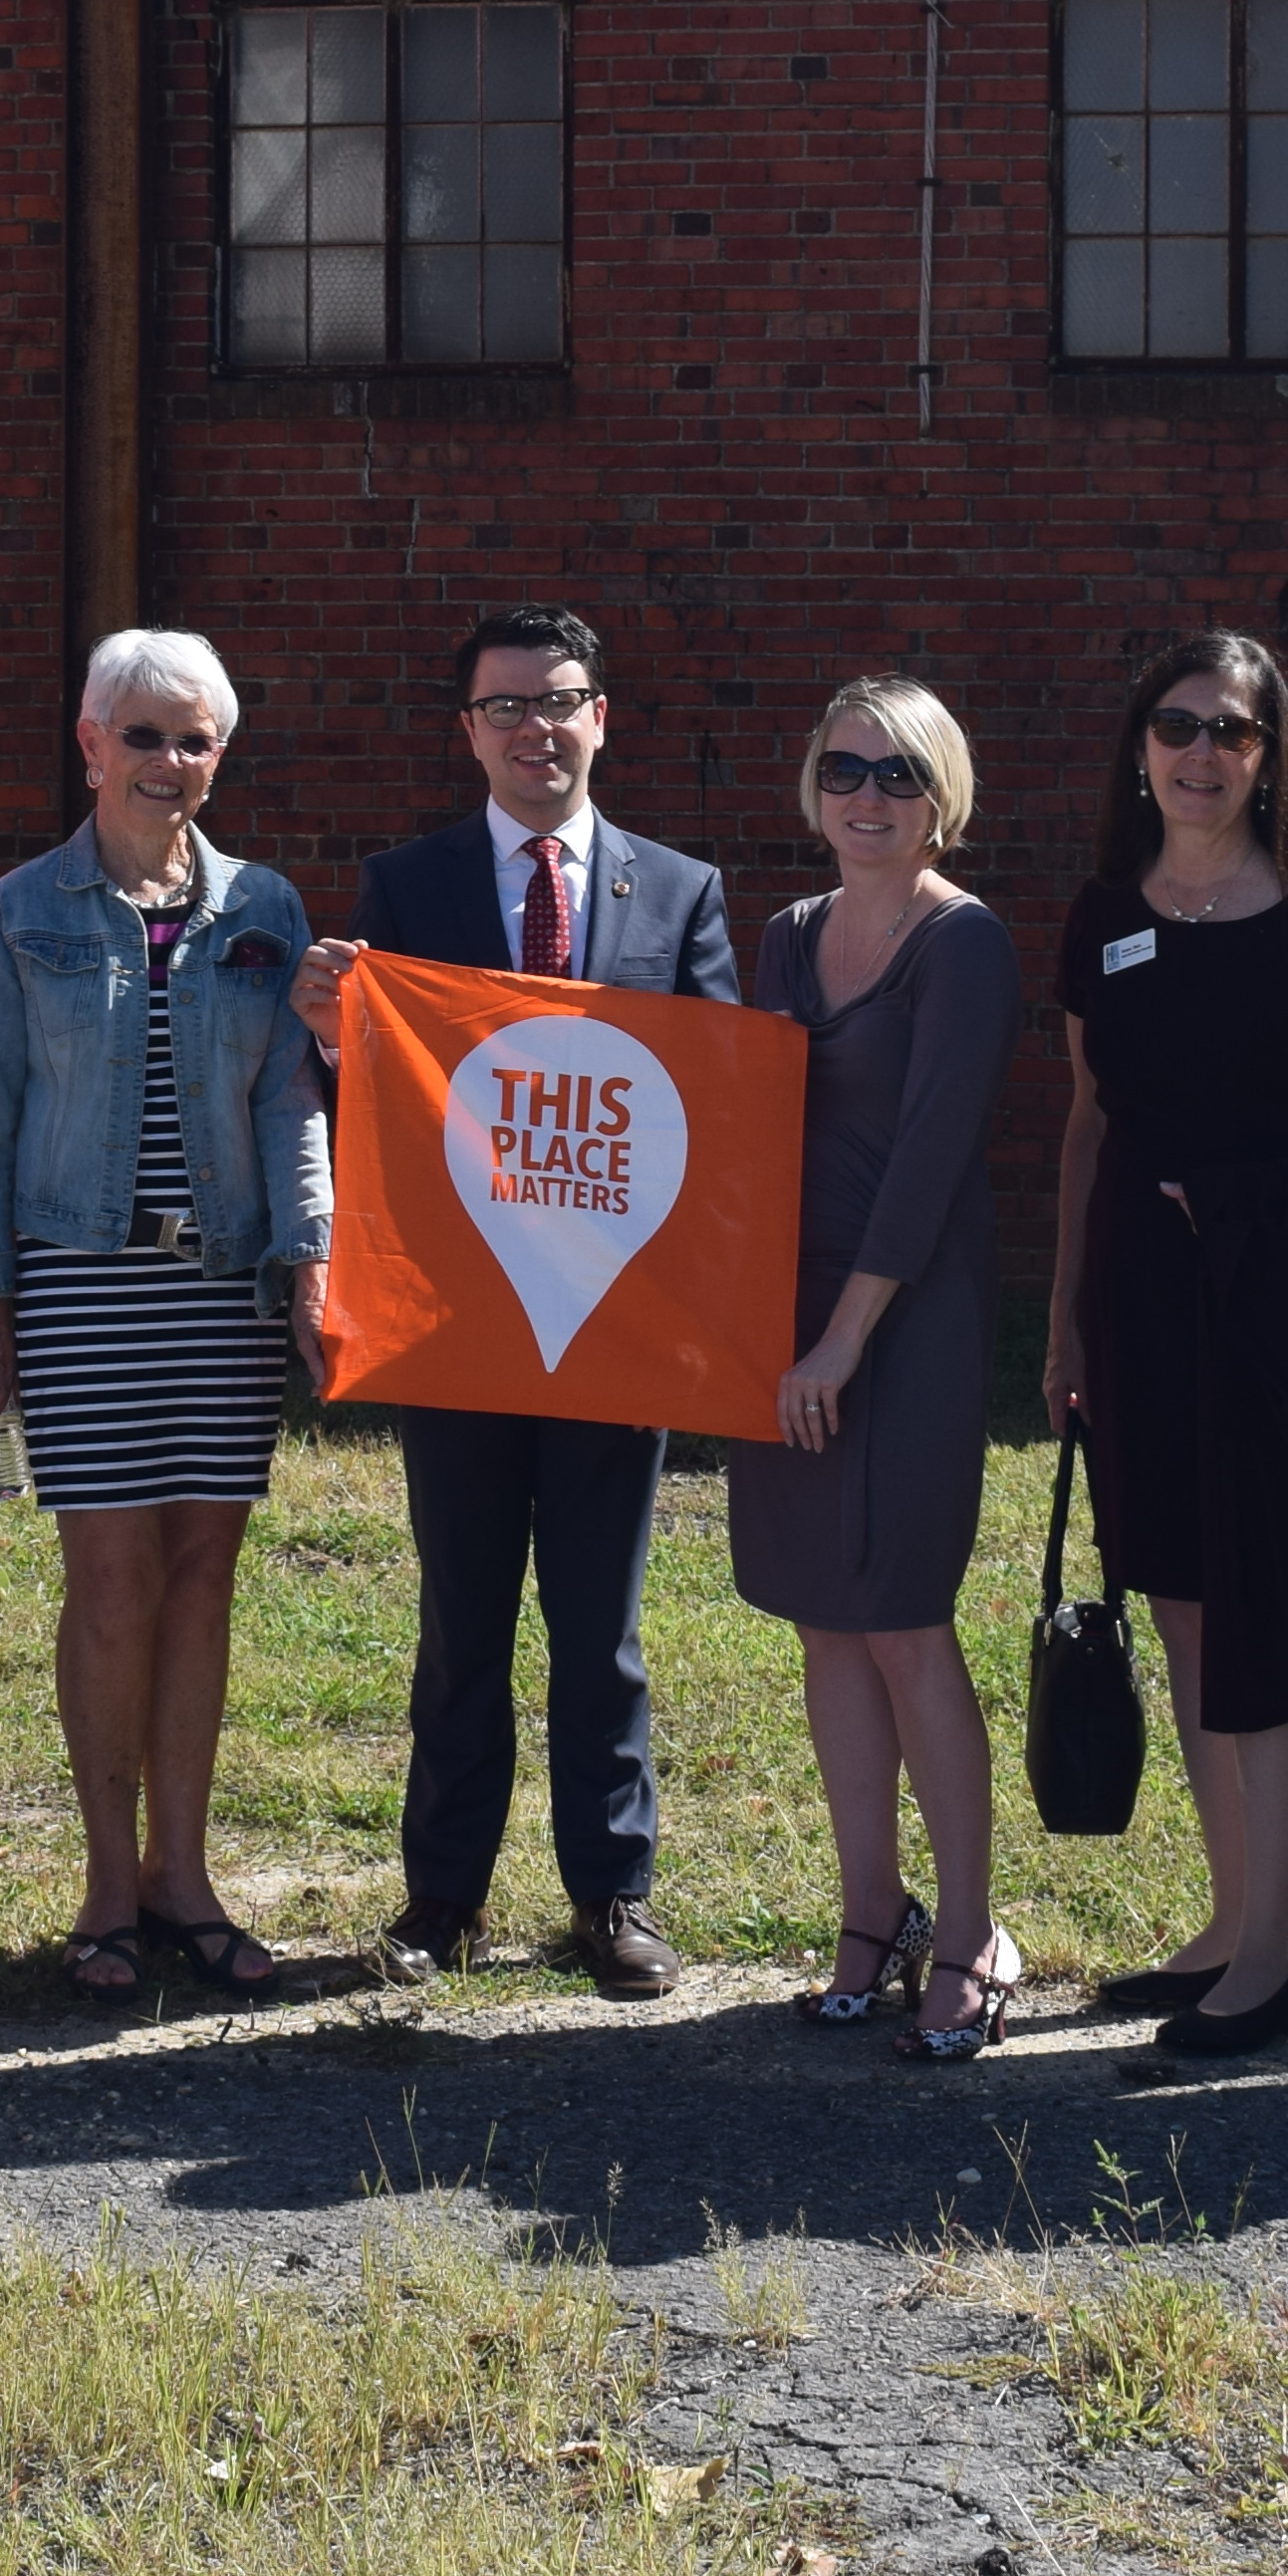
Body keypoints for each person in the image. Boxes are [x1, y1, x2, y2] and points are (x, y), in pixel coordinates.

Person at [297, 607, 738, 1997]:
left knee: (600, 1622)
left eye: (559, 702)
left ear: (603, 716)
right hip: (458, 1316)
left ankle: (614, 1894)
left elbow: (718, 1107)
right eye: (505, 708)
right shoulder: (407, 885)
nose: (534, 730)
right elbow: (373, 1108)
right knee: (464, 1611)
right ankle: (441, 1898)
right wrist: (330, 1034)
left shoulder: (681, 893)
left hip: (614, 1316)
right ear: (467, 730)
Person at [1040, 630, 1288, 2060]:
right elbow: (1091, 1118)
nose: (1203, 753)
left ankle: (1274, 1958)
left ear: (1273, 756)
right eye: (1178, 726)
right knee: (1186, 1605)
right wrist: (1072, 1308)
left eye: (1235, 730)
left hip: (1277, 1300)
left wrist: (1270, 1193)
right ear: (1141, 747)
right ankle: (1230, 1922)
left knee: (1262, 1608)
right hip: (1143, 1301)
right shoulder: (1101, 912)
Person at [0, 630, 330, 2000]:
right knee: (109, 1585)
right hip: (79, 1286)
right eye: (145, 735)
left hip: (216, 1292)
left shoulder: (264, 908)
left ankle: (187, 1873)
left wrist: (310, 1257)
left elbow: (290, 1100)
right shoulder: (25, 908)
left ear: (222, 755)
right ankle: (109, 1884)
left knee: (204, 1579)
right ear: (91, 743)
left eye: (196, 739)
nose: (170, 763)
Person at [733, 675, 1028, 2060]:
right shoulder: (784, 936)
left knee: (906, 1618)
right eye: (845, 768)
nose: (869, 796)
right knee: (824, 1618)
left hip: (904, 1323)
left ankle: (970, 1928)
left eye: (900, 774)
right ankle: (871, 1915)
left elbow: (926, 1162)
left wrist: (845, 1339)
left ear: (941, 795)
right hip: (785, 1325)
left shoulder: (961, 943)